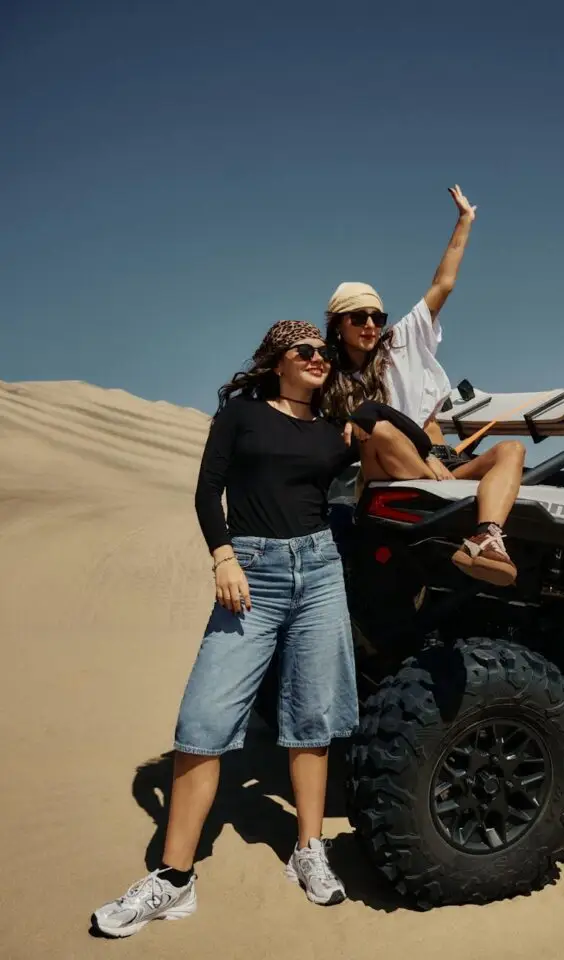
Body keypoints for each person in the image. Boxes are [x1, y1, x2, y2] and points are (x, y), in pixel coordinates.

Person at [92, 321, 358, 938]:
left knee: (311, 718)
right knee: (204, 721)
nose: (320, 358)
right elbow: (207, 490)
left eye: (324, 352)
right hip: (253, 574)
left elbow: (392, 449)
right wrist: (223, 556)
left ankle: (308, 850)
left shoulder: (331, 430)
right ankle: (174, 878)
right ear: (277, 361)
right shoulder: (242, 415)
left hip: (320, 572)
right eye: (306, 351)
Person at [321, 185, 525, 588]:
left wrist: (464, 222)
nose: (370, 326)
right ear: (337, 325)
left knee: (511, 450)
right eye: (358, 318)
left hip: (442, 463)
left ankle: (487, 536)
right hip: (387, 470)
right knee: (375, 427)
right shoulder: (328, 379)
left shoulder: (401, 342)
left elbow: (443, 284)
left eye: (377, 317)